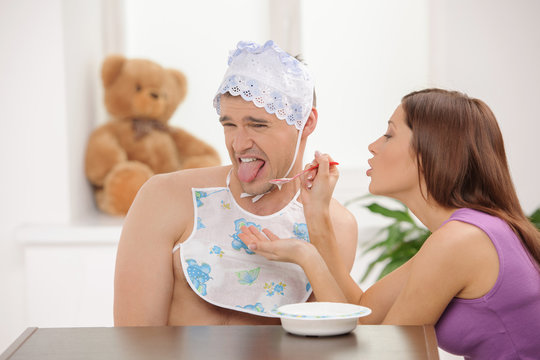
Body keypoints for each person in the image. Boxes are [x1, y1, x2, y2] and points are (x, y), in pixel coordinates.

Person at [240, 88, 540, 359]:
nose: (373, 146)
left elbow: (384, 353)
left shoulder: (461, 241)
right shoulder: (470, 232)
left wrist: (307, 257)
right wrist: (316, 212)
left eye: (389, 135)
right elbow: (363, 314)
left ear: (431, 151)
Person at [113, 40, 358, 326]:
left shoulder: (337, 228)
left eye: (258, 125)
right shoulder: (164, 198)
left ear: (306, 123)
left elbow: (331, 342)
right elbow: (134, 344)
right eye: (229, 124)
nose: (239, 144)